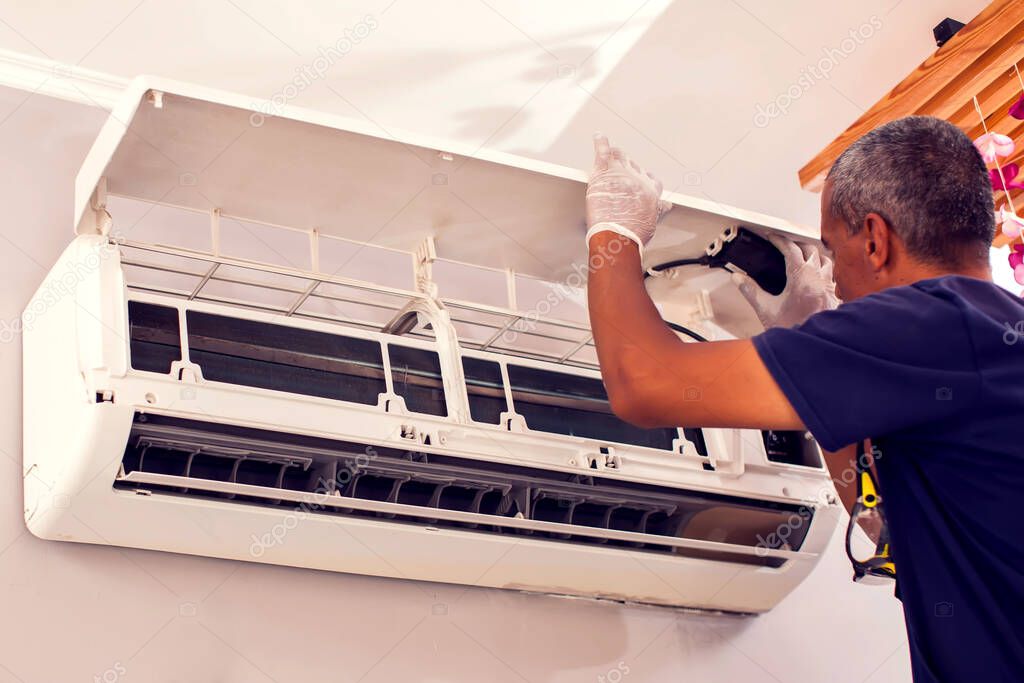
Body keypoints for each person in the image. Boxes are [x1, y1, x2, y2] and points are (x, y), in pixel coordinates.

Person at [584, 116, 1023, 683]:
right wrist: (820, 384)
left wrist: (614, 233)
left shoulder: (934, 323)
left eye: (834, 251)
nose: (835, 280)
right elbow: (882, 524)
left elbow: (644, 384)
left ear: (875, 239)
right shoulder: (993, 333)